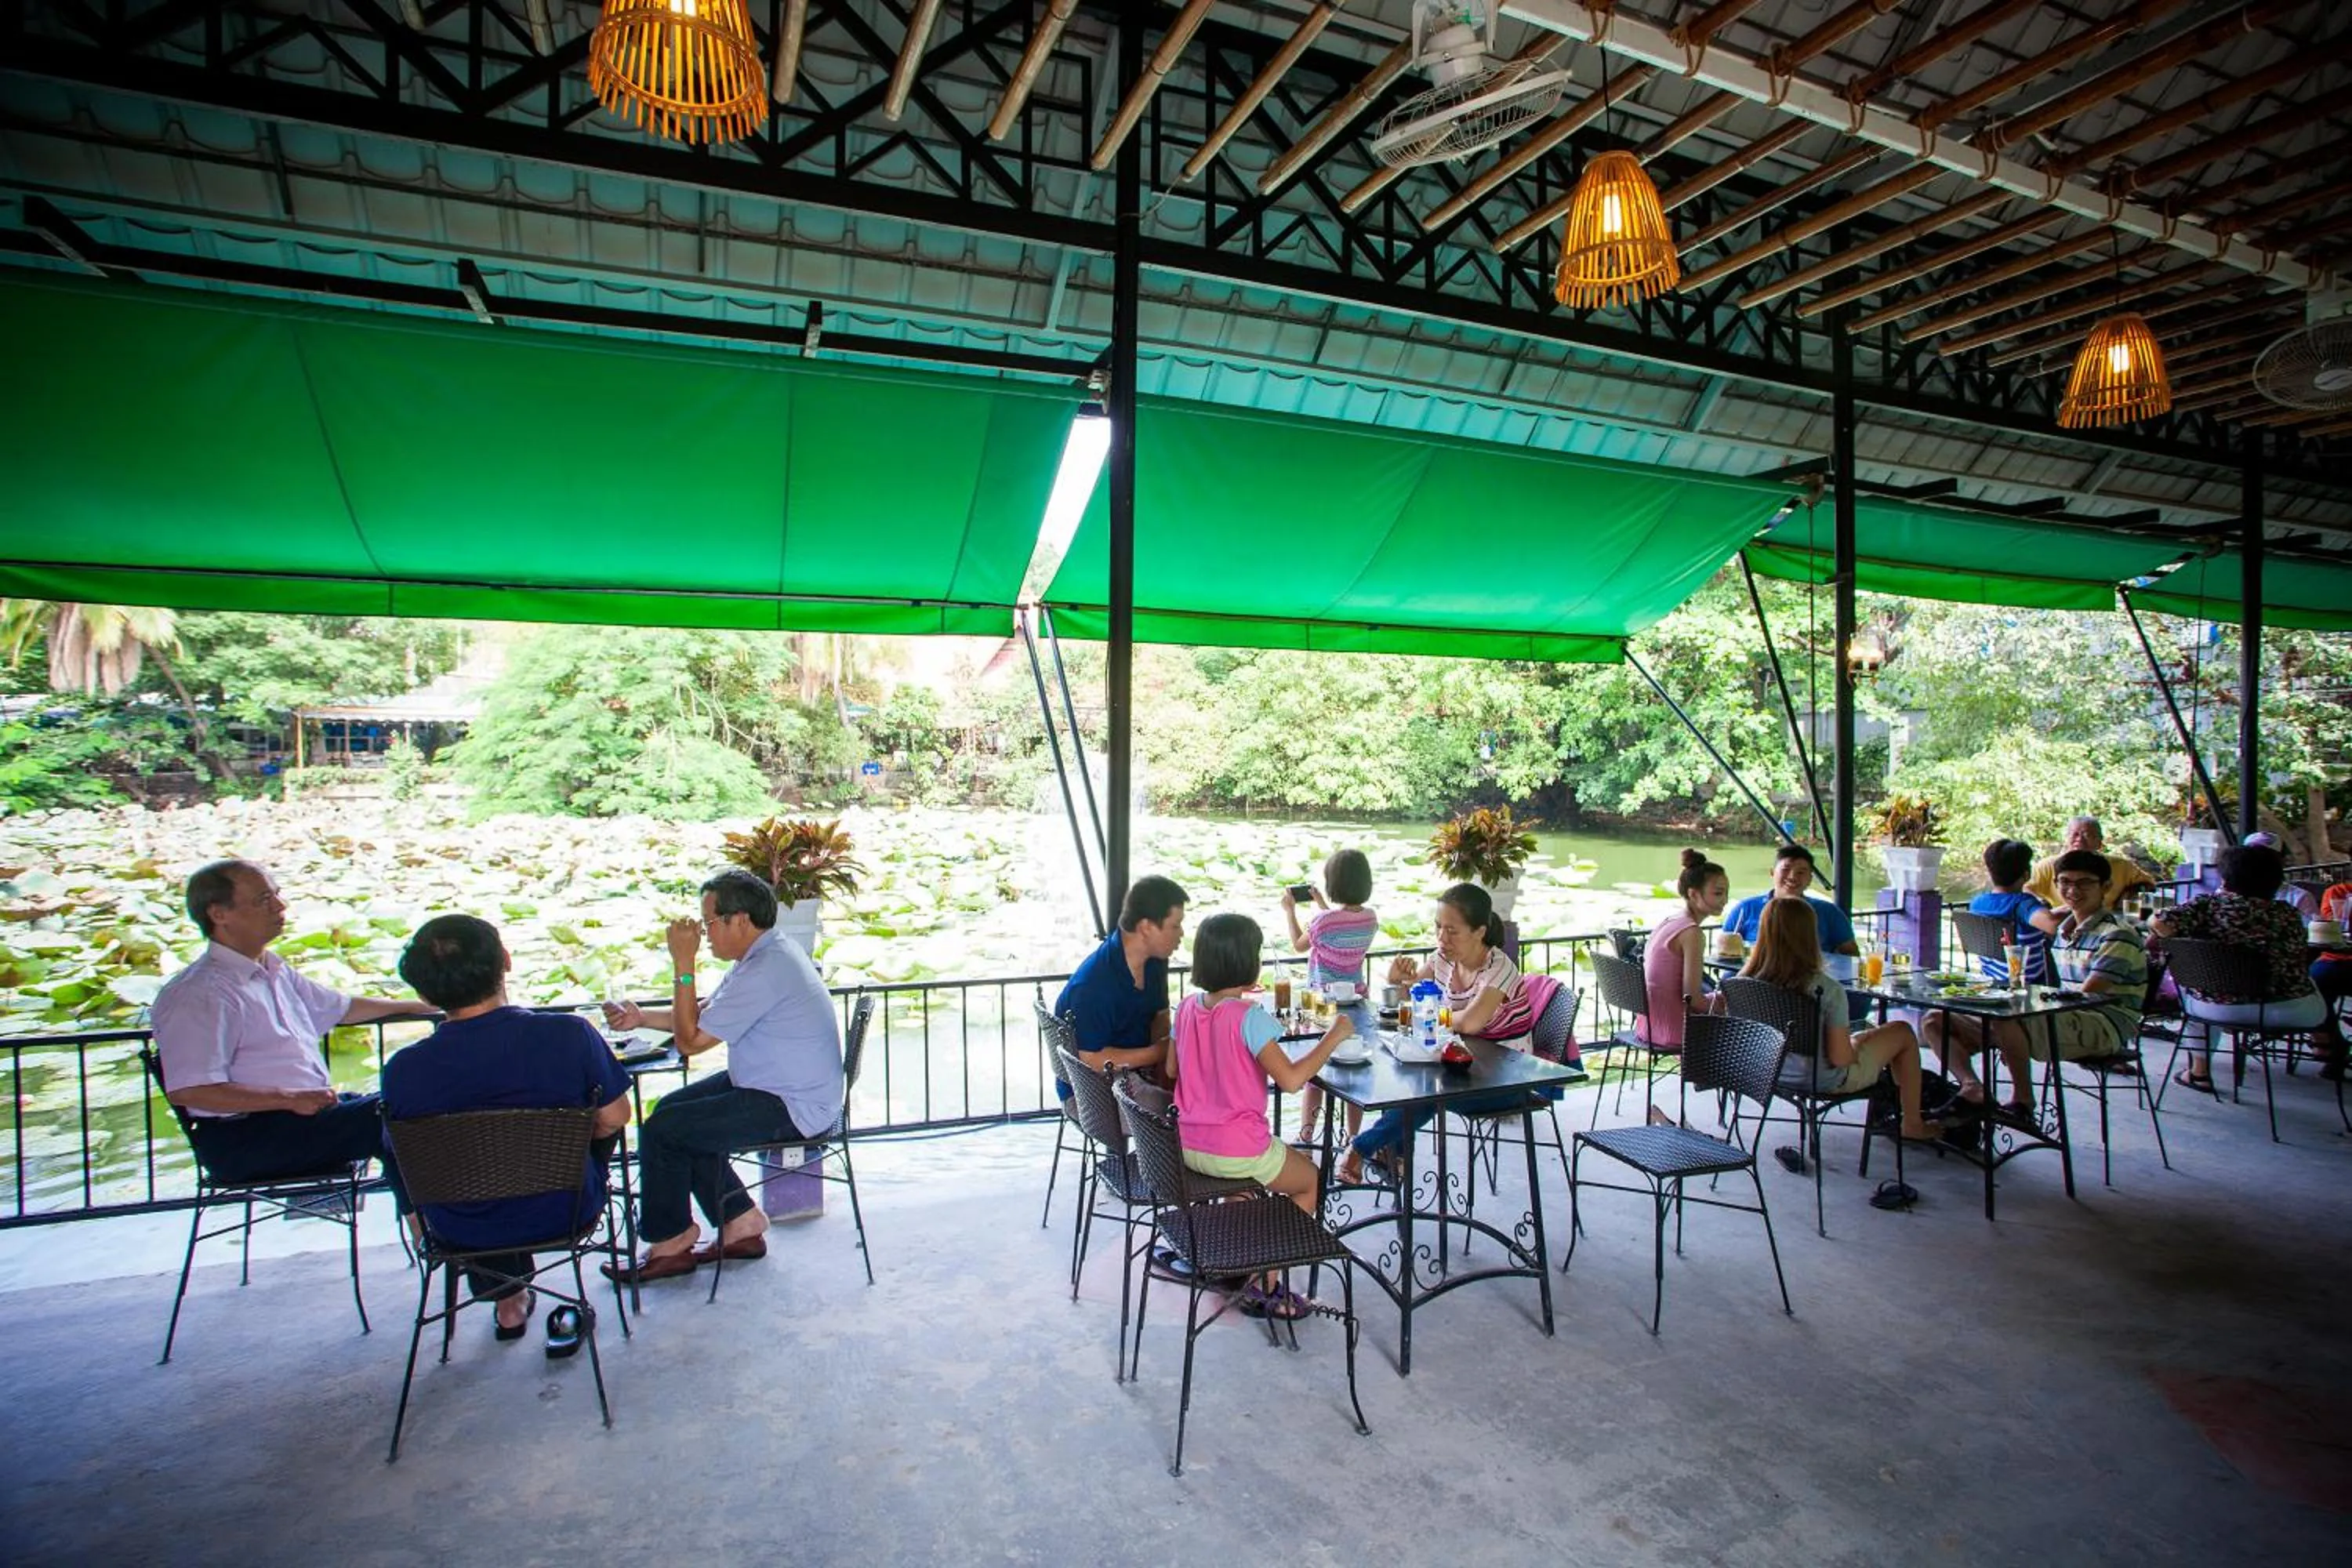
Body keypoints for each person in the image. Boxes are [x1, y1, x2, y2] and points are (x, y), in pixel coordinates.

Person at [379, 916, 631, 1345]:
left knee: (470, 1172)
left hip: (459, 1227)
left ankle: (506, 1298)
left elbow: (402, 1156)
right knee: (594, 1127)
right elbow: (616, 1115)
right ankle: (517, 1284)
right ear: (506, 962)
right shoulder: (567, 1035)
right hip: (562, 1209)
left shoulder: (404, 1068)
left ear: (422, 990)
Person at [600, 869, 844, 1285]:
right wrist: (642, 1018)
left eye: (709, 923)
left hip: (794, 1104)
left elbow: (692, 1041)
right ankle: (740, 1223)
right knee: (673, 1110)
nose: (705, 934)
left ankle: (670, 1242)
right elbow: (703, 1014)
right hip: (771, 1085)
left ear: (741, 921)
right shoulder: (765, 955)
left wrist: (683, 962)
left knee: (667, 1129)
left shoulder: (768, 967)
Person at [150, 859, 434, 1200]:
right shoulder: (200, 994)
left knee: (397, 1107)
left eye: (277, 895)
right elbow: (192, 1090)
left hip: (298, 1118)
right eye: (263, 900)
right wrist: (289, 1099)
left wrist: (430, 1007)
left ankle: (431, 1229)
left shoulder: (272, 969)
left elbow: (342, 1008)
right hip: (245, 1138)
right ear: (219, 914)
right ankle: (440, 1236)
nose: (280, 906)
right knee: (393, 1118)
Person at [1169, 913, 1350, 1322]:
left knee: (1244, 1187)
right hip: (1236, 1148)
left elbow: (1175, 1069)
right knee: (1309, 1181)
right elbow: (1290, 1081)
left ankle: (1237, 1263)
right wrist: (1333, 1037)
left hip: (1187, 1145)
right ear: (1249, 963)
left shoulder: (1184, 1009)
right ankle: (1264, 1282)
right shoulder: (1249, 1017)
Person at [1338, 884, 1544, 1185]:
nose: (1441, 938)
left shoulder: (1500, 968)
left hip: (1506, 1081)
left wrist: (1430, 1013)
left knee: (1425, 1092)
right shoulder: (1442, 960)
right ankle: (1394, 1162)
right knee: (1413, 1081)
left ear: (1479, 932)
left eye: (1452, 931)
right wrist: (1398, 985)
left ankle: (1363, 1149)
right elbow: (1414, 1002)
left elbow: (1471, 1023)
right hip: (1458, 1067)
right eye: (1438, 928)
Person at [1926, 849, 2146, 1119]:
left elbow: (2090, 995)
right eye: (2065, 882)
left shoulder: (2117, 934)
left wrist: (2028, 1010)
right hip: (2064, 1013)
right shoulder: (2065, 930)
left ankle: (2023, 1102)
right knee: (1935, 1021)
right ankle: (1972, 1089)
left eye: (2084, 883)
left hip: (2104, 1023)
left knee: (2007, 1018)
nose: (2073, 890)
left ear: (2106, 887)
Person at [1740, 898, 1944, 1142]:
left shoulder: (1744, 982)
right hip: (1822, 1078)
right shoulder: (1825, 990)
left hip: (1767, 1071)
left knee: (1868, 1035)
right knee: (1902, 1032)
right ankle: (1912, 1122)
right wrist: (1856, 1044)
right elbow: (1841, 1059)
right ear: (1810, 935)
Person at [2152, 842, 2336, 1092]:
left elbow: (2159, 922)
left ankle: (2199, 1072)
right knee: (2311, 978)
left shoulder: (2208, 906)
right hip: (2295, 1011)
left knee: (2193, 987)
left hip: (2220, 1010)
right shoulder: (2288, 914)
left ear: (2225, 879)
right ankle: (2325, 1045)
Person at [1052, 875, 1187, 1096]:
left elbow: (1160, 1017)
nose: (1181, 934)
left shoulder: (1156, 961)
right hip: (1093, 1091)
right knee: (1180, 1114)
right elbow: (1091, 1060)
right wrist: (1159, 1053)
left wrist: (1166, 1069)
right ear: (1146, 927)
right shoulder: (1093, 984)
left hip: (1138, 1071)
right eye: (1175, 926)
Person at [1283, 848, 1377, 1149]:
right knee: (1352, 1072)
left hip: (1322, 1007)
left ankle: (1307, 1135)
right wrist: (1321, 903)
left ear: (1333, 881)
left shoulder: (1324, 923)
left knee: (1315, 1070)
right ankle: (1353, 1140)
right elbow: (1337, 922)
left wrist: (1290, 911)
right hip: (1356, 1004)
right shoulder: (1370, 918)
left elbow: (1299, 945)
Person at [1638, 849, 1728, 1049]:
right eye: (1718, 893)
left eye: (1726, 893)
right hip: (1675, 1029)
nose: (1725, 900)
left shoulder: (1670, 921)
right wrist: (1728, 1010)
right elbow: (1692, 999)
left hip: (1649, 1026)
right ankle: (1709, 1079)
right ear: (1694, 894)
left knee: (1725, 1000)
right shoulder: (1692, 933)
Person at [1720, 843, 1859, 957]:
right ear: (1772, 873)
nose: (1792, 877)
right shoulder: (1745, 909)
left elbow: (1851, 955)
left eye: (1801, 872)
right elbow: (1724, 953)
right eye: (1785, 869)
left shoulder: (1828, 912)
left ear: (1810, 879)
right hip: (1753, 983)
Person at [2025, 817, 2156, 912]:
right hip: (2060, 922)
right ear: (2066, 839)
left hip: (2108, 922)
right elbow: (2026, 889)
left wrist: (2129, 896)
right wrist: (2042, 907)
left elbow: (2148, 884)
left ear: (2100, 842)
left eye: (2087, 835)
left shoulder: (2121, 866)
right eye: (2074, 835)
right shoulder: (2048, 866)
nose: (2079, 839)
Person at [1968, 838, 2054, 981]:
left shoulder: (1977, 903)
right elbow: (2052, 925)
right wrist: (2072, 909)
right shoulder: (2023, 905)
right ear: (2026, 875)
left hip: (1992, 980)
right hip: (2028, 985)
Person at [2244, 833, 2319, 918]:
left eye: (2266, 859)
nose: (2257, 863)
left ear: (2281, 861)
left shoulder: (2300, 898)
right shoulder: (2233, 897)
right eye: (2250, 858)